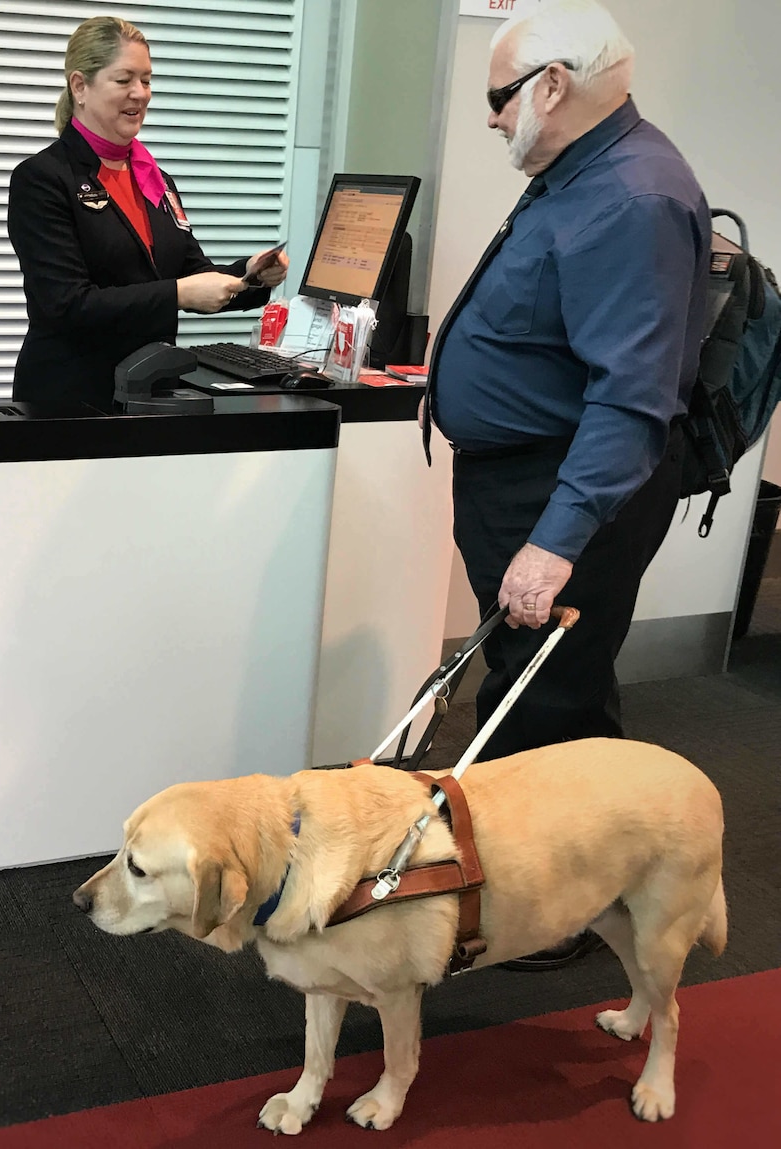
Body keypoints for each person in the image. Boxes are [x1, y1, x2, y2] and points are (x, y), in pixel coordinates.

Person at [422, 0, 710, 966]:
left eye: (501, 96)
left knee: (549, 695)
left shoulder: (633, 196)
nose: (493, 116)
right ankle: (576, 873)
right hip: (527, 474)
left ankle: (552, 907)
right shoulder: (577, 169)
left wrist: (553, 542)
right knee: (540, 681)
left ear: (553, 87)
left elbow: (632, 401)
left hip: (565, 488)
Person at [7, 16, 288, 406]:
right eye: (124, 80)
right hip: (69, 400)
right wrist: (177, 294)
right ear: (80, 86)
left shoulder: (154, 179)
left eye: (147, 80)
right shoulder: (43, 179)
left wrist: (251, 274)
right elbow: (67, 305)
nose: (140, 93)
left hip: (149, 393)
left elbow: (192, 271)